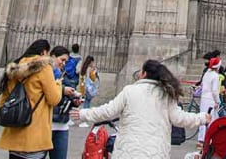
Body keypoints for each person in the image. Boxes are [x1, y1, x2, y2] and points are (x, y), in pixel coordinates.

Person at [72, 59, 211, 159]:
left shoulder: (130, 91)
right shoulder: (166, 94)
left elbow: (107, 111)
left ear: (144, 73)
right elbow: (180, 119)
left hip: (128, 152)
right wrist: (202, 118)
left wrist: (84, 114)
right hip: (156, 153)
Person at [0, 38, 63, 158]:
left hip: (14, 136)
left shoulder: (13, 69)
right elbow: (54, 99)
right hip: (34, 136)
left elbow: (3, 101)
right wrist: (58, 84)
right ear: (43, 52)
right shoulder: (44, 68)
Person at [49, 45, 79, 159]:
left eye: (66, 61)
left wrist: (74, 101)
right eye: (62, 60)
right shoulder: (45, 74)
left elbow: (66, 95)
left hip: (62, 124)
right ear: (52, 57)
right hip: (46, 123)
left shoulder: (63, 74)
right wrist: (62, 90)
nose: (64, 63)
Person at [197, 55, 221, 149]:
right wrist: (217, 101)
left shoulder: (207, 73)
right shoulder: (215, 76)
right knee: (211, 119)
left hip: (204, 98)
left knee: (203, 118)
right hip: (210, 99)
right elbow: (215, 91)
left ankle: (201, 138)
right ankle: (210, 139)